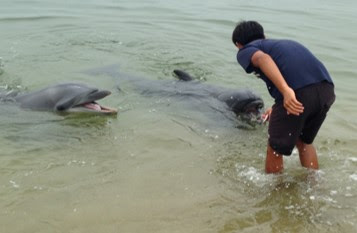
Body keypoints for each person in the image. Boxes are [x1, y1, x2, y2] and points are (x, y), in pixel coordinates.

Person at [232, 20, 335, 173]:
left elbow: (263, 59)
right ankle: (315, 185)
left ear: (238, 44)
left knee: (274, 147)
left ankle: (275, 191)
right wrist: (278, 105)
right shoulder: (283, 44)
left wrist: (286, 92)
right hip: (326, 90)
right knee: (304, 141)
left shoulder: (246, 50)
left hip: (299, 92)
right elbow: (299, 76)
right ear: (264, 36)